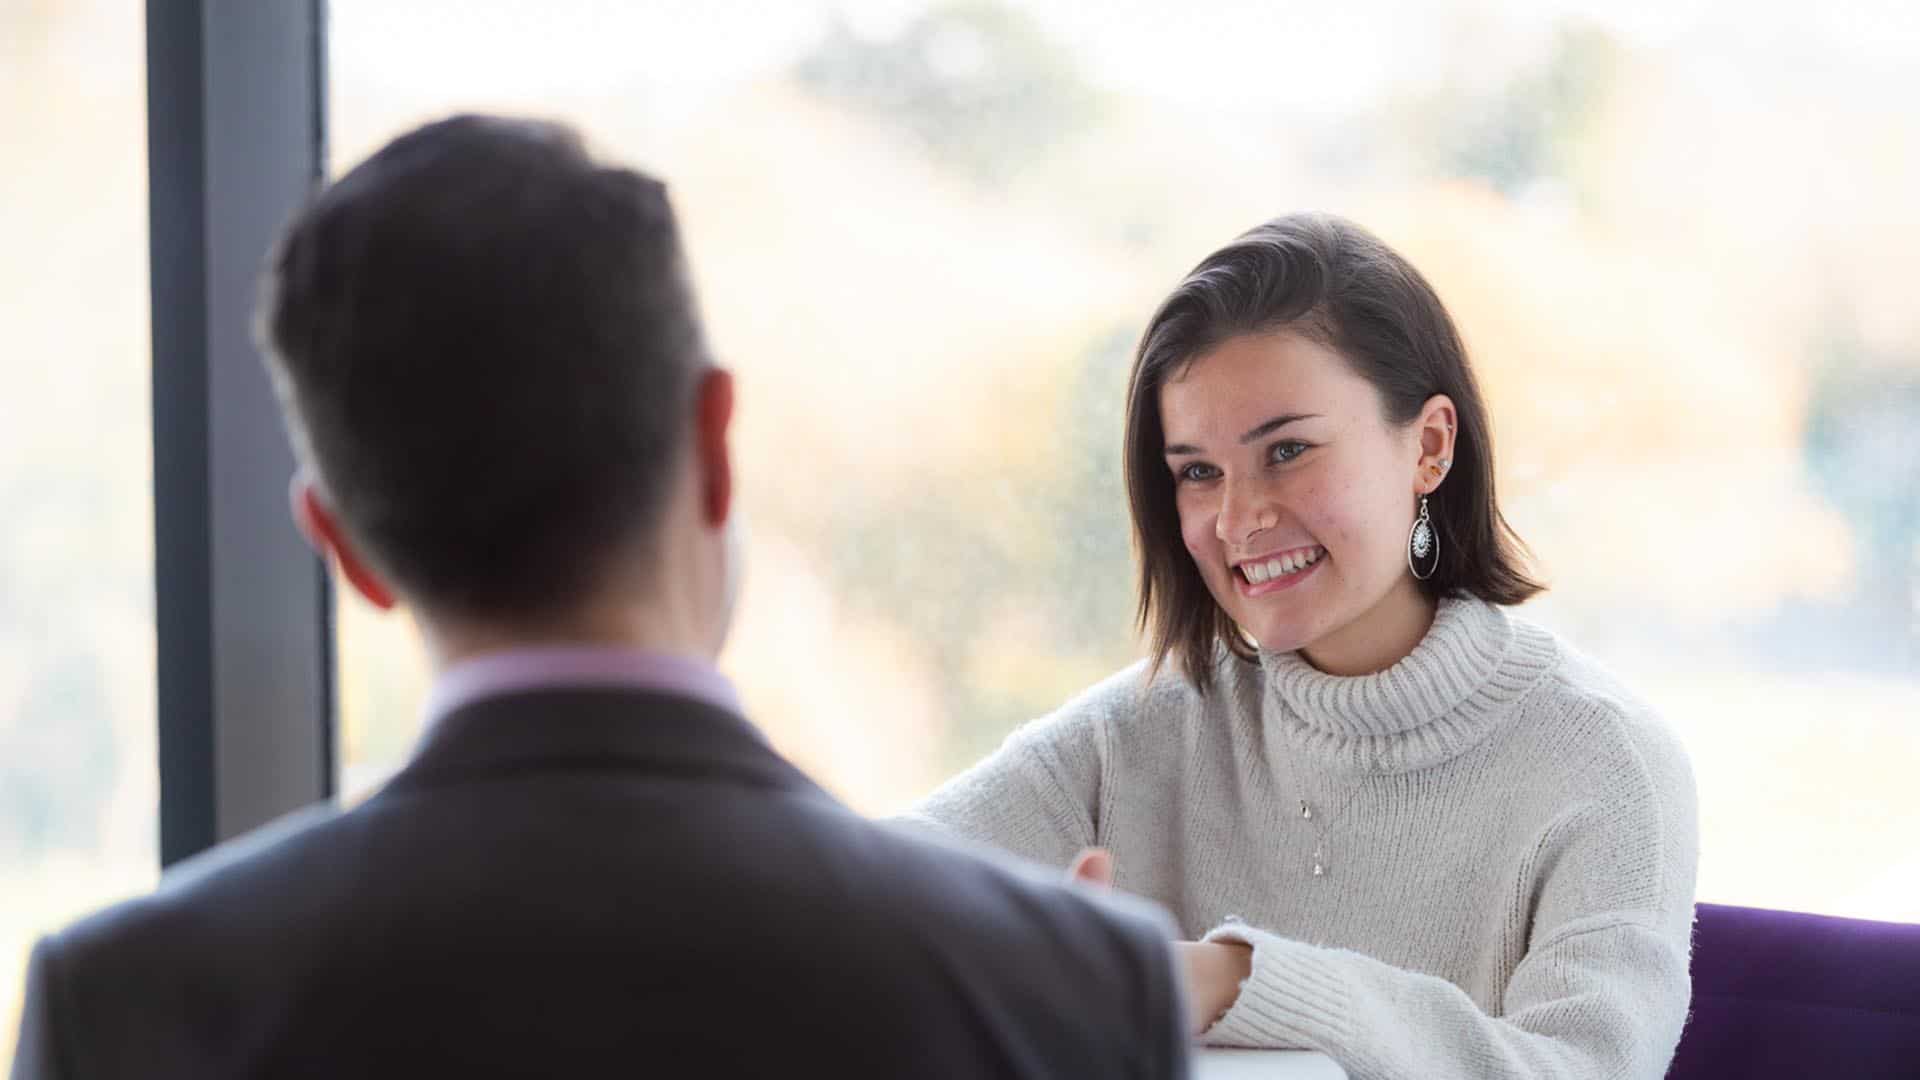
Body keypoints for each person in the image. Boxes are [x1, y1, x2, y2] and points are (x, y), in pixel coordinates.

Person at [9, 115, 1189, 1080]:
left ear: (344, 547)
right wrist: (1044, 969)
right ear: (715, 442)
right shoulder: (1076, 993)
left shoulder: (129, 1007)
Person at [903, 213, 1699, 1080]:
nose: (1237, 519)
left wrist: (1229, 980)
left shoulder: (1602, 763)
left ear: (1428, 446)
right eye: (1197, 471)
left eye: (1287, 451)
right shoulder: (1136, 735)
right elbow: (856, 904)